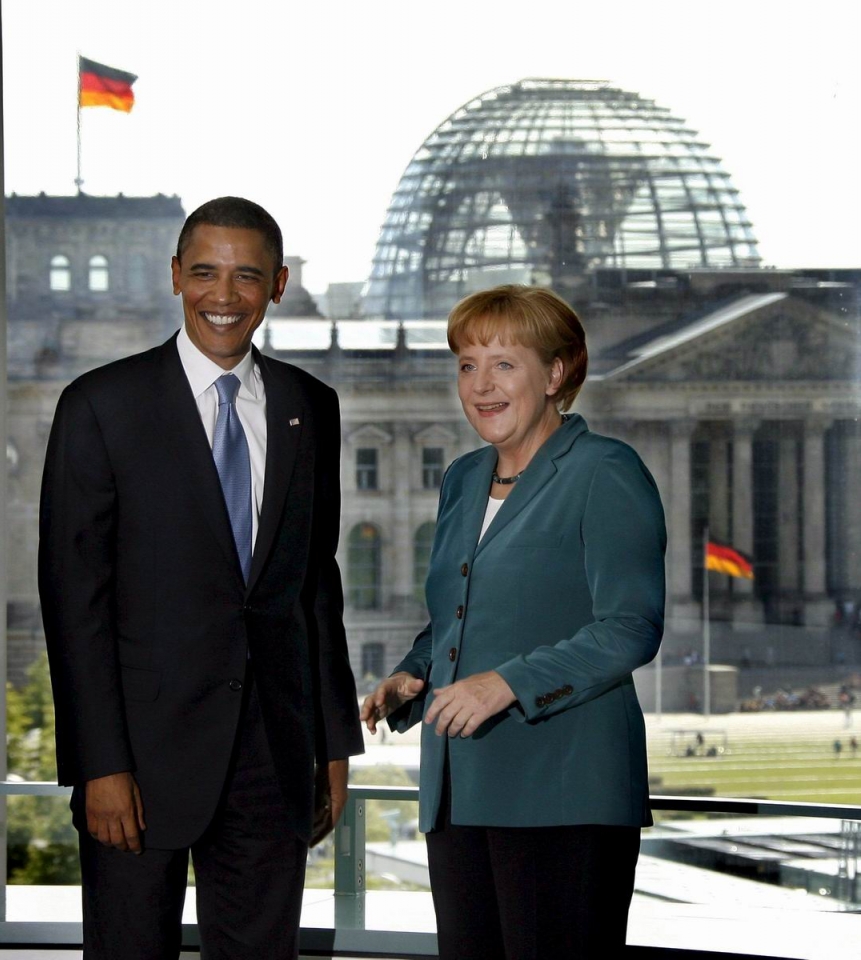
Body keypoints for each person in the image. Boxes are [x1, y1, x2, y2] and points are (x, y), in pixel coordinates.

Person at [39, 197, 363, 960]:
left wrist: (332, 745)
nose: (224, 295)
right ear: (176, 276)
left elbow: (315, 589)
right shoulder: (100, 405)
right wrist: (100, 765)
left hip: (273, 757)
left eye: (246, 275)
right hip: (139, 759)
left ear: (277, 285)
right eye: (206, 272)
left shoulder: (310, 406)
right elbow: (74, 603)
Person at [361, 285, 666, 959]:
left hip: (563, 788)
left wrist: (505, 682)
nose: (481, 385)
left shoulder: (605, 470)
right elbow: (458, 614)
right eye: (467, 365)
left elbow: (631, 627)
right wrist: (413, 675)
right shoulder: (463, 478)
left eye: (504, 364)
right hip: (457, 789)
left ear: (555, 374)